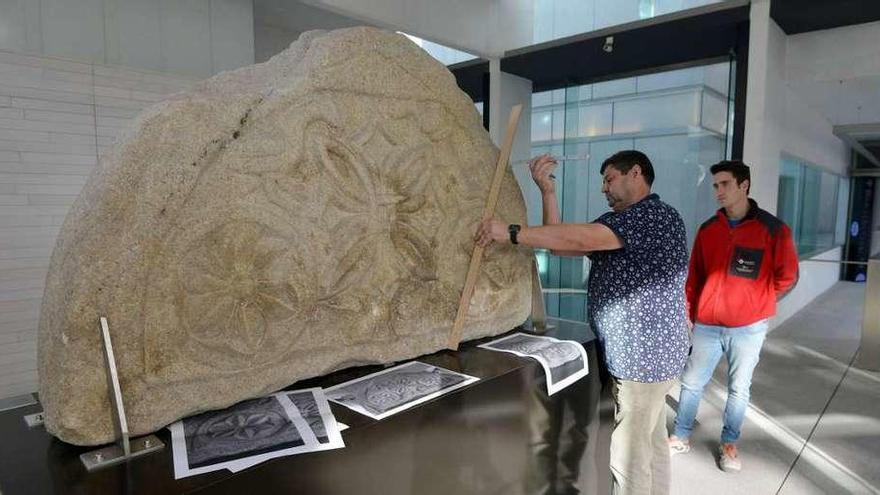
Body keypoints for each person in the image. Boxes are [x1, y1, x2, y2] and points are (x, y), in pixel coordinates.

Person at [475, 150, 690, 495]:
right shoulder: (620, 221)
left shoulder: (653, 216)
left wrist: (511, 232)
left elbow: (581, 238)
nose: (604, 188)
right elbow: (563, 245)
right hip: (651, 358)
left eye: (609, 179)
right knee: (652, 444)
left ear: (636, 173)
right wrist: (547, 191)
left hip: (643, 361)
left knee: (629, 458)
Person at [668, 160, 799, 473]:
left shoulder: (773, 229)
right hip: (707, 326)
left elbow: (787, 276)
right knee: (691, 383)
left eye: (725, 184)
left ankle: (729, 444)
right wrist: (690, 311)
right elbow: (695, 275)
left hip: (748, 329)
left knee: (739, 388)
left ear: (744, 186)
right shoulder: (709, 229)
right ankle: (681, 435)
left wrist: (757, 302)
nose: (718, 191)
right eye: (715, 185)